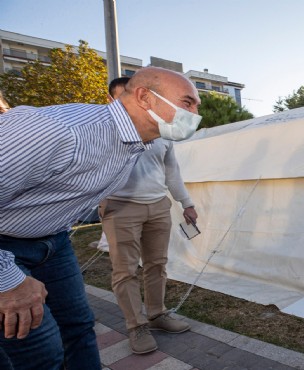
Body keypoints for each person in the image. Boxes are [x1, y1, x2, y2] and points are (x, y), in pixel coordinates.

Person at [0, 66, 202, 370]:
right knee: (40, 351)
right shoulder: (58, 130)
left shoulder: (135, 143)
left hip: (53, 240)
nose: (196, 114)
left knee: (80, 328)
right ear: (145, 97)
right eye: (188, 103)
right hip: (7, 247)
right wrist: (7, 278)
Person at [100, 123, 199, 354]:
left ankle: (156, 314)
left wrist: (187, 203)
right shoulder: (109, 128)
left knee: (157, 264)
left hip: (158, 205)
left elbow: (172, 169)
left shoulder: (164, 132)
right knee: (126, 270)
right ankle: (137, 326)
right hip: (120, 206)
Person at [89, 77, 134, 253]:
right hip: (116, 202)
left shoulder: (155, 131)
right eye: (123, 96)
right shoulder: (99, 129)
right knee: (123, 260)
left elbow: (170, 169)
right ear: (111, 100)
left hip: (150, 202)